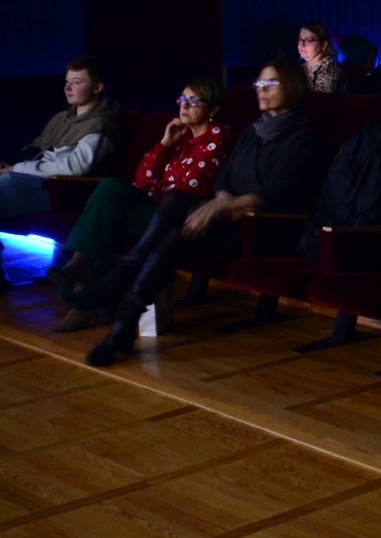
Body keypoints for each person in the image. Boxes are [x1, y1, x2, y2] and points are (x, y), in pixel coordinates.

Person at [85, 60, 326, 367]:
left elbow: (277, 197)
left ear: (291, 87)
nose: (260, 90)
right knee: (175, 221)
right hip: (229, 217)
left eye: (270, 84)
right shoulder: (253, 131)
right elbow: (225, 178)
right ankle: (123, 325)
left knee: (177, 217)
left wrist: (221, 206)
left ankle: (117, 289)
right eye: (259, 83)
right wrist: (221, 200)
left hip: (264, 228)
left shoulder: (303, 139)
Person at [44, 76, 232, 332]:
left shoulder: (219, 136)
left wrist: (157, 187)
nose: (184, 106)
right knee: (110, 186)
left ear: (213, 109)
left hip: (179, 216)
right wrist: (165, 144)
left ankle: (81, 286)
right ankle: (82, 275)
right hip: (155, 204)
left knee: (105, 223)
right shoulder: (180, 136)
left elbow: (190, 189)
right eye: (182, 99)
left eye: (194, 101)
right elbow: (141, 180)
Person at [0, 57, 123, 221]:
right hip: (33, 179)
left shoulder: (101, 124)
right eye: (67, 81)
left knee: (6, 184)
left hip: (61, 191)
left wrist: (16, 169)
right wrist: (10, 164)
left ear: (97, 87)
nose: (67, 87)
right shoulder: (62, 118)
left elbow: (75, 168)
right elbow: (37, 148)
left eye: (76, 82)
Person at [297, 23, 347, 95]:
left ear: (323, 45)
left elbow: (321, 99)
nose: (302, 44)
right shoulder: (300, 66)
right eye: (300, 39)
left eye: (308, 40)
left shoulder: (330, 66)